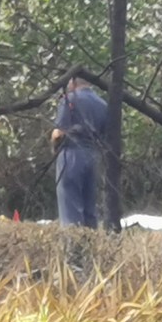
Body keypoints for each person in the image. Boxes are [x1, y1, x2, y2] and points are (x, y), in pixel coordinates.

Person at [51, 77, 107, 228]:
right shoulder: (103, 104)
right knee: (90, 207)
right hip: (93, 156)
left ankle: (73, 242)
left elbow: (59, 133)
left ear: (73, 82)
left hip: (71, 154)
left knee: (70, 209)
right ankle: (91, 240)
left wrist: (54, 147)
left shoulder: (69, 99)